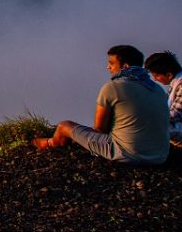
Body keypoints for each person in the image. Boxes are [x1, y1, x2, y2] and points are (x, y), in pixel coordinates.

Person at [33, 44, 169, 165]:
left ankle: (50, 143)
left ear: (125, 66)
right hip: (160, 156)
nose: (108, 67)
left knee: (64, 126)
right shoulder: (157, 89)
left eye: (112, 63)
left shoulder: (113, 87)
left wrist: (82, 136)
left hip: (128, 154)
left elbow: (100, 129)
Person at [144, 50, 182, 144]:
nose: (155, 79)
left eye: (156, 76)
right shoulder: (175, 85)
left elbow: (175, 114)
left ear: (169, 75)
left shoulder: (180, 86)